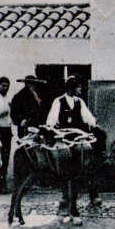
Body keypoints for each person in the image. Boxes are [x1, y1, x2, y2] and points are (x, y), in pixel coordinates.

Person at [46, 75, 105, 208]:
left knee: (88, 157)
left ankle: (93, 194)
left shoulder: (79, 102)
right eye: (78, 87)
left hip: (79, 136)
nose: (80, 90)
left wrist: (94, 124)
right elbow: (52, 119)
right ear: (70, 88)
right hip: (64, 137)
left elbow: (88, 117)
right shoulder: (58, 101)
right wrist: (51, 127)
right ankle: (65, 196)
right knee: (64, 161)